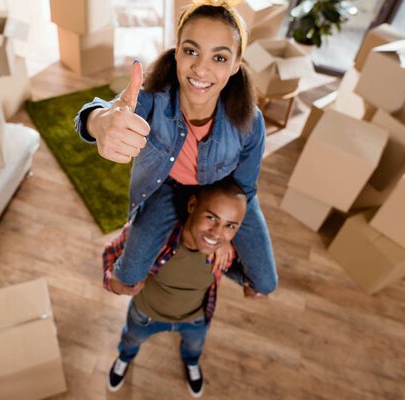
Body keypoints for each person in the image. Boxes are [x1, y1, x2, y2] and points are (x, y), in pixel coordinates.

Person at [75, 0, 278, 295]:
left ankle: (198, 249)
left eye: (219, 58)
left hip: (221, 193)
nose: (201, 68)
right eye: (191, 51)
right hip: (167, 188)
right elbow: (102, 112)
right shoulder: (151, 97)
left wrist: (225, 238)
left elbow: (244, 187)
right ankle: (175, 246)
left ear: (236, 65)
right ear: (177, 50)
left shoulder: (250, 121)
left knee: (263, 285)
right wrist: (98, 121)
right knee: (126, 278)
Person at [103, 177, 263, 397]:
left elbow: (239, 268)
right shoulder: (152, 239)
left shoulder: (227, 251)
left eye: (230, 225)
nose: (217, 233)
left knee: (194, 348)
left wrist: (248, 282)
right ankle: (124, 357)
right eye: (211, 217)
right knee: (130, 340)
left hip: (194, 319)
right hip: (145, 314)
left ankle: (191, 362)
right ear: (192, 205)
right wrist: (113, 283)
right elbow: (110, 253)